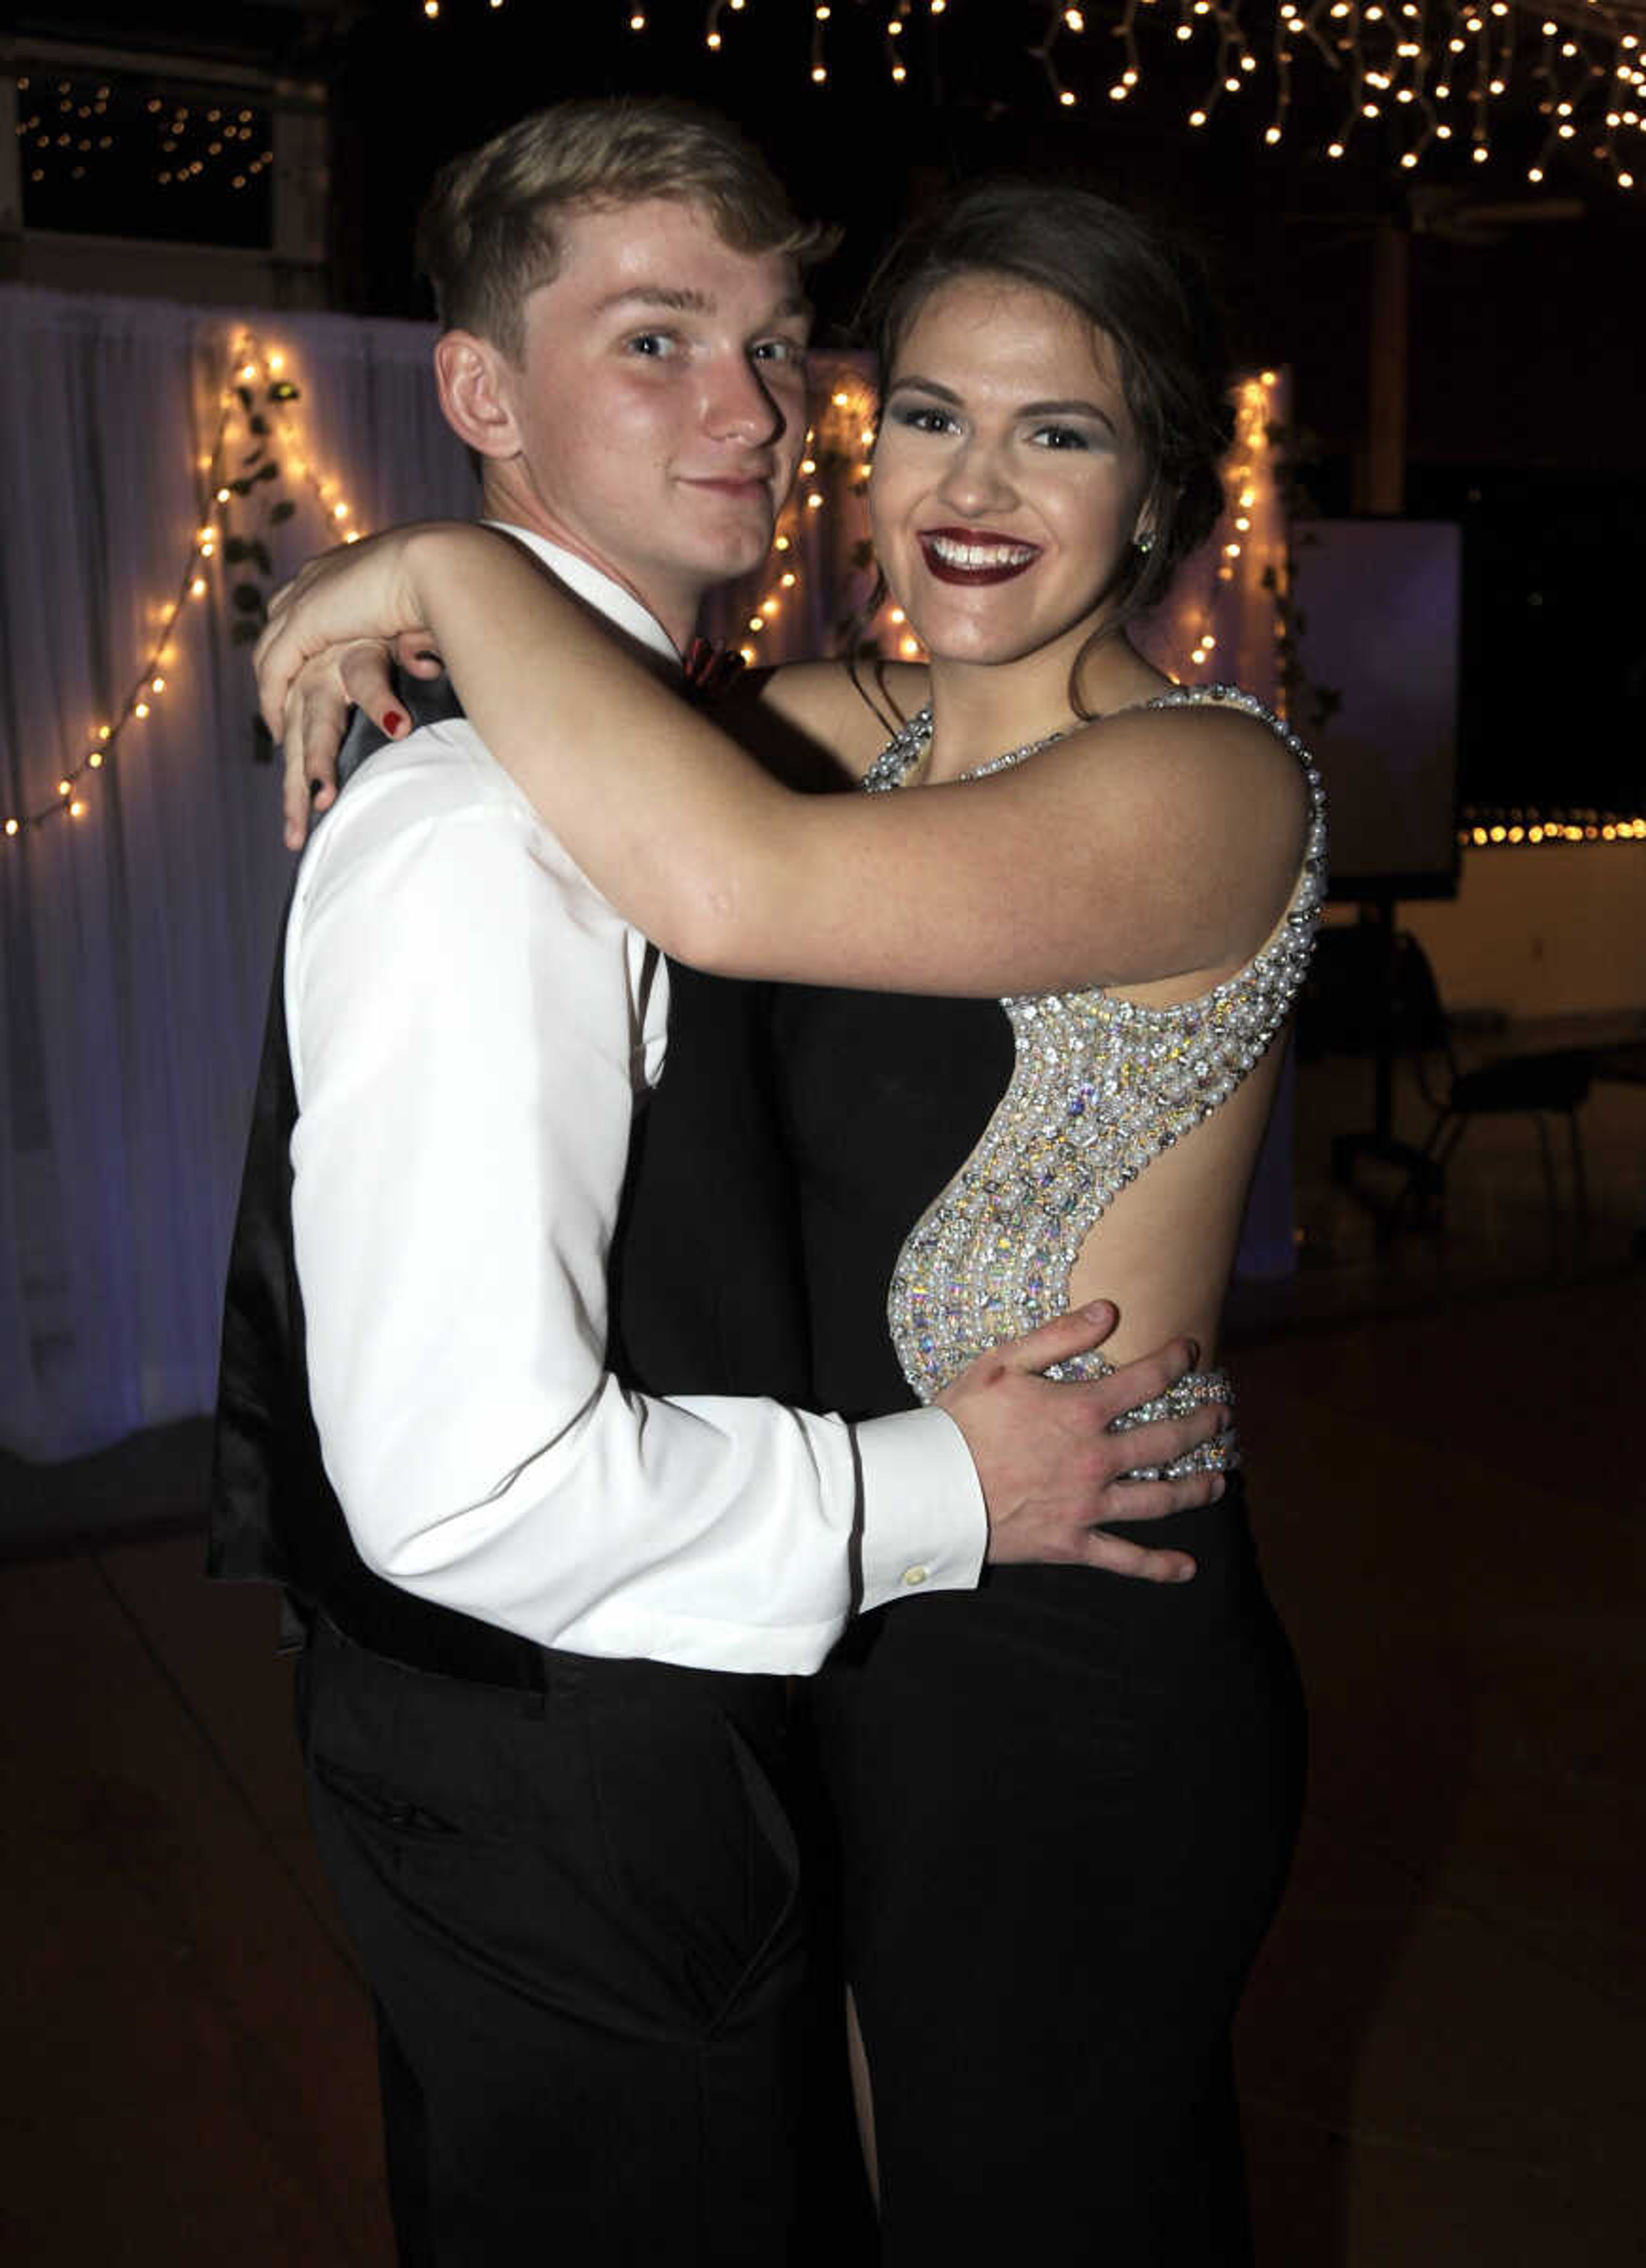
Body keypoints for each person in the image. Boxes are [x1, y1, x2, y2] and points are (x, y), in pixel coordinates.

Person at [258, 174, 1322, 2262]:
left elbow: (718, 878)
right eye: (929, 415)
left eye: (1063, 430)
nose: (978, 482)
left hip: (1067, 1631)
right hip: (850, 1574)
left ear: (1165, 478)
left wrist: (450, 563)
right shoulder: (862, 733)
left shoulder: (1208, 783)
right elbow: (604, 748)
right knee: (885, 2180)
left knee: (1046, 2196)